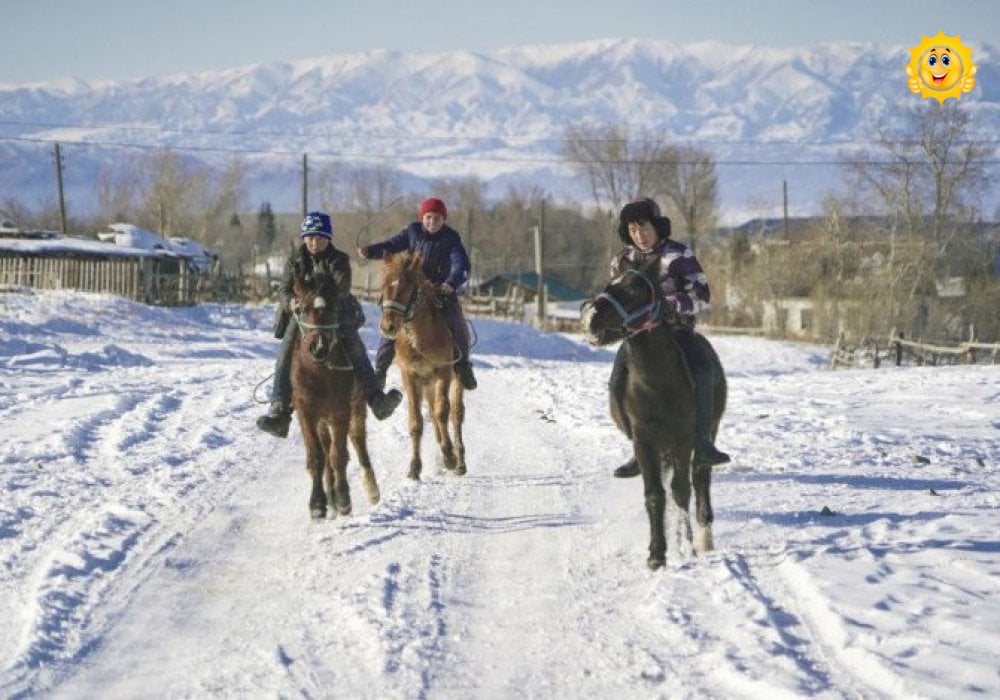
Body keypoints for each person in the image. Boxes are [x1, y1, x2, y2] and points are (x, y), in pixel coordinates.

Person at [609, 198, 730, 477]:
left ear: (657, 226)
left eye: (645, 227)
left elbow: (703, 296)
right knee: (617, 381)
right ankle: (639, 450)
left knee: (704, 370)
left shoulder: (678, 255)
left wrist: (670, 303)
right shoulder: (622, 261)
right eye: (634, 229)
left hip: (677, 332)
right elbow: (615, 301)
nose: (640, 235)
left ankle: (702, 443)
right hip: (638, 340)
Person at [257, 211, 402, 438]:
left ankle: (376, 399)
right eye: (310, 237)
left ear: (328, 238)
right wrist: (292, 301)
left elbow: (341, 289)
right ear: (304, 238)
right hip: (303, 313)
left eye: (320, 238)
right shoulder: (294, 260)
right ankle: (280, 408)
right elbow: (284, 289)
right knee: (286, 350)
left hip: (335, 310)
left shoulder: (339, 260)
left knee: (355, 347)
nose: (315, 243)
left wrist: (315, 296)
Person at [357, 196, 478, 391]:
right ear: (422, 217)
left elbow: (461, 264)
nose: (432, 222)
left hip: (441, 290)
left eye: (437, 218)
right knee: (392, 319)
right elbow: (391, 245)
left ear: (443, 220)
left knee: (455, 319)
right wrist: (370, 251)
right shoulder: (412, 231)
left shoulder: (451, 238)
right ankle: (380, 370)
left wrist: (451, 283)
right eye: (428, 217)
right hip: (413, 287)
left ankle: (463, 365)